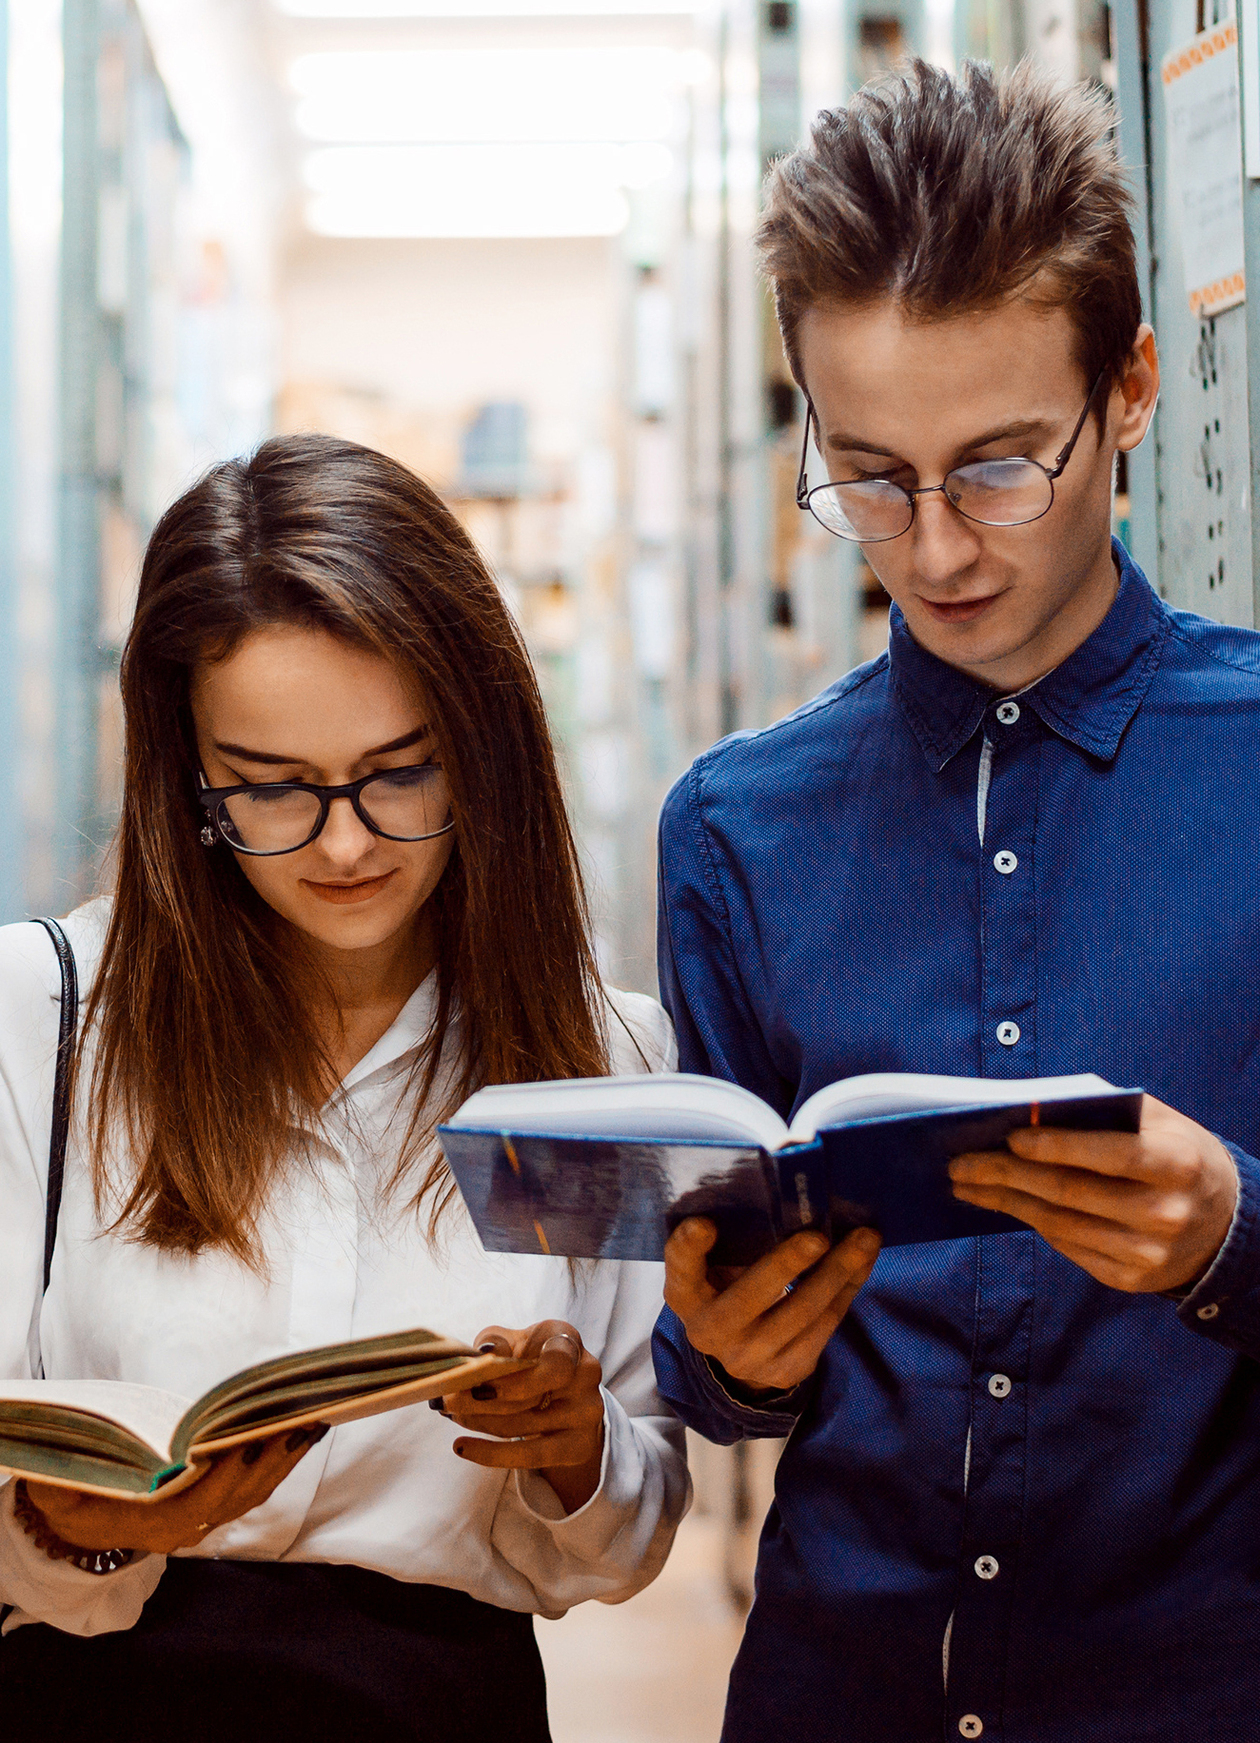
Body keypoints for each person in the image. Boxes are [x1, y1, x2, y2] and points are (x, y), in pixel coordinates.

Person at [652, 58, 1260, 1743]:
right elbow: (709, 1362)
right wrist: (727, 1353)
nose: (934, 552)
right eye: (869, 477)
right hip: (839, 1688)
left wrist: (1232, 1240)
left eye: (1002, 468)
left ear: (1129, 388)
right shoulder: (735, 827)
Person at [0, 435, 687, 1742]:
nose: (348, 843)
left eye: (398, 771)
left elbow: (627, 1540)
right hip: (93, 1695)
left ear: (482, 748)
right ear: (189, 786)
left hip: (438, 1707)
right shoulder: (44, 1012)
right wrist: (70, 1533)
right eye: (271, 791)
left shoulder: (602, 1064)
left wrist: (575, 1447)